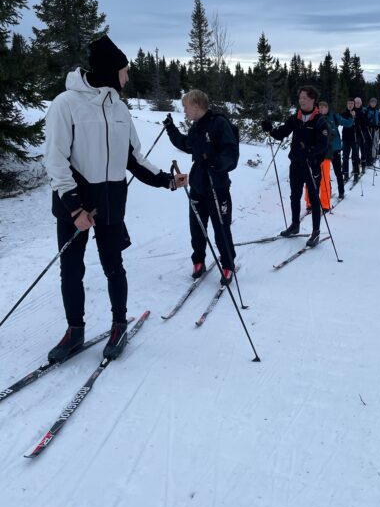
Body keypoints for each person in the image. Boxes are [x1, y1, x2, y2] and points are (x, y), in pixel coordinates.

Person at [44, 34, 186, 362]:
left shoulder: (120, 108)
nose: (127, 77)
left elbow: (133, 158)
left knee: (114, 266)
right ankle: (74, 332)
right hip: (75, 205)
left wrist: (168, 181)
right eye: (124, 71)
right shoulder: (65, 104)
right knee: (70, 270)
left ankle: (119, 325)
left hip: (110, 202)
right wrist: (75, 207)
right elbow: (55, 160)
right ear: (110, 70)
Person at [163, 89, 238, 284]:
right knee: (196, 228)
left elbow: (232, 153)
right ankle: (198, 261)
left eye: (186, 107)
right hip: (198, 184)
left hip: (217, 185)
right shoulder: (196, 127)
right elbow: (187, 144)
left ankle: (228, 264)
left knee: (221, 228)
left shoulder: (219, 123)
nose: (185, 111)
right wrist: (171, 129)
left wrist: (216, 161)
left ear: (197, 105)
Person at [261, 85, 329, 248]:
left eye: (304, 98)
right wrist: (269, 129)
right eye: (300, 98)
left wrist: (310, 151)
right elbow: (281, 133)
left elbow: (324, 145)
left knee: (313, 199)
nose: (301, 100)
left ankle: (315, 231)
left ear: (313, 100)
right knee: (294, 195)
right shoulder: (295, 118)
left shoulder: (320, 121)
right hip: (296, 164)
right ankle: (294, 225)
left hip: (311, 166)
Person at [303, 100, 353, 210]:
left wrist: (352, 118)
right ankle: (310, 202)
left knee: (331, 175)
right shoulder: (313, 118)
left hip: (330, 152)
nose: (321, 109)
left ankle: (335, 195)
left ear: (327, 108)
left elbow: (344, 125)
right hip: (314, 153)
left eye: (323, 107)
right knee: (311, 179)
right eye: (319, 107)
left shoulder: (333, 118)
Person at [341, 97, 360, 183]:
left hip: (355, 138)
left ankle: (356, 173)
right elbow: (343, 122)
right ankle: (345, 174)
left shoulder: (358, 113)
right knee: (345, 156)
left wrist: (355, 116)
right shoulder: (344, 113)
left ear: (354, 104)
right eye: (349, 103)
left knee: (355, 157)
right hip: (345, 138)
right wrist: (350, 116)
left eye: (352, 103)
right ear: (347, 104)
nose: (350, 105)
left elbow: (361, 123)